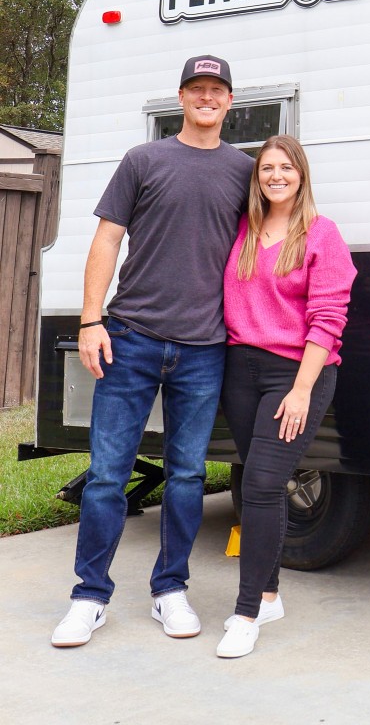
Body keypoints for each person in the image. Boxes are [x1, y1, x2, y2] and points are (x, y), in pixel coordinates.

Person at [51, 56, 254, 648]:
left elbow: (264, 249)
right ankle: (89, 598)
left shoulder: (243, 172)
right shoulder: (145, 160)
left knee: (188, 475)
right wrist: (91, 321)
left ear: (229, 101)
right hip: (132, 338)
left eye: (217, 90)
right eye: (198, 89)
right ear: (182, 97)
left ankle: (171, 590)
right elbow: (107, 239)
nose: (207, 98)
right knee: (108, 477)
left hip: (205, 347)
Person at [215, 134, 356, 659]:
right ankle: (270, 595)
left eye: (286, 167)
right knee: (261, 487)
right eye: (266, 167)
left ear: (301, 175)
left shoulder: (322, 234)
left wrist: (301, 390)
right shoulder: (243, 230)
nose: (276, 175)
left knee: (263, 482)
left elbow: (329, 318)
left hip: (296, 374)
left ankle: (248, 611)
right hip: (239, 368)